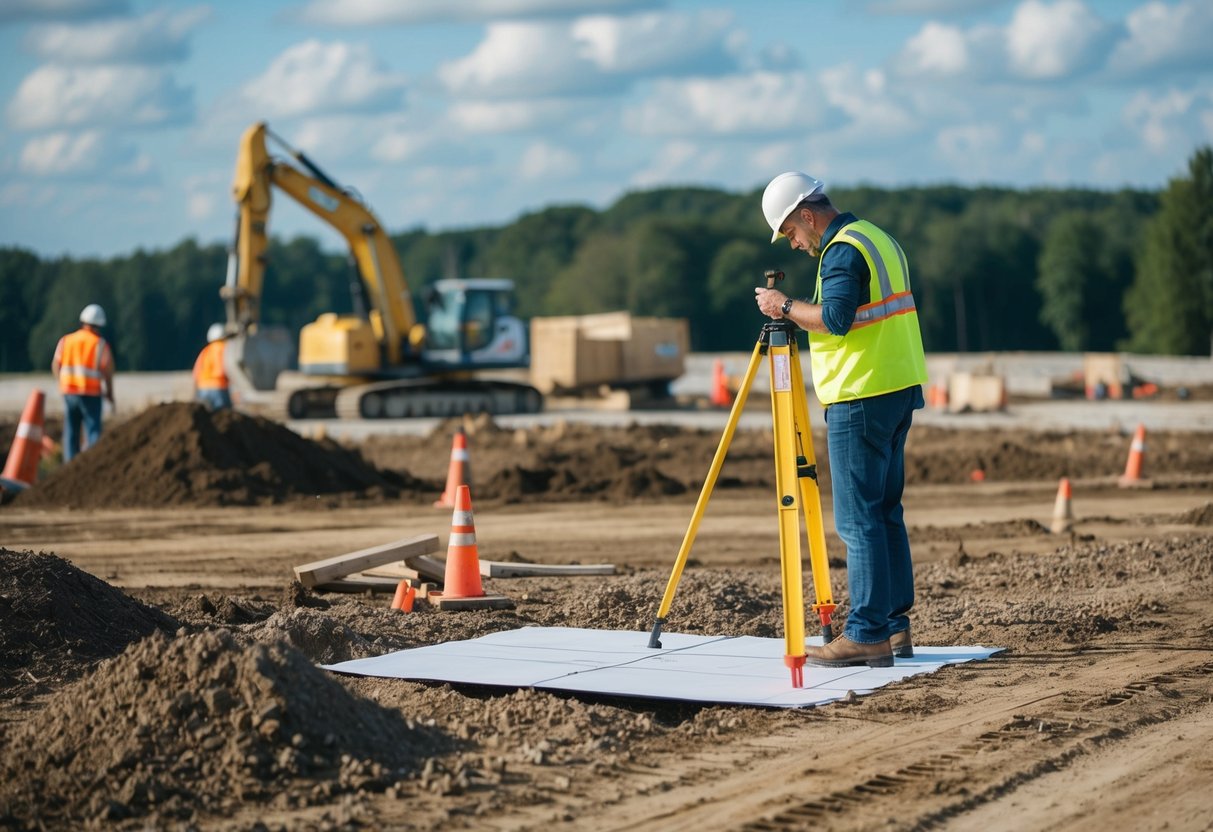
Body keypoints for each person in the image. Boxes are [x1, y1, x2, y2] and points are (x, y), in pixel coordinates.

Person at [754, 171, 928, 668]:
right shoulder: (878, 238)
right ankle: (894, 627)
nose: (794, 244)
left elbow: (836, 318)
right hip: (896, 385)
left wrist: (782, 307)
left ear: (807, 215)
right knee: (886, 512)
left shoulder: (842, 250)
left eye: (791, 232)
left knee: (859, 520)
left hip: (860, 393)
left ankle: (867, 633)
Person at [51, 303, 115, 462]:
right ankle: (90, 467)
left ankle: (69, 466)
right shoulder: (100, 344)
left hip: (69, 393)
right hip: (91, 394)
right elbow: (108, 371)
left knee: (71, 432)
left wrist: (61, 383)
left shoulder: (66, 340)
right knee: (93, 431)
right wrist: (110, 393)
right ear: (99, 325)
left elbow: (55, 365)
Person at [193, 323, 232, 411]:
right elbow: (223, 370)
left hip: (202, 388)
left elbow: (196, 373)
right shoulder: (224, 348)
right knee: (224, 416)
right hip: (219, 387)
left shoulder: (205, 350)